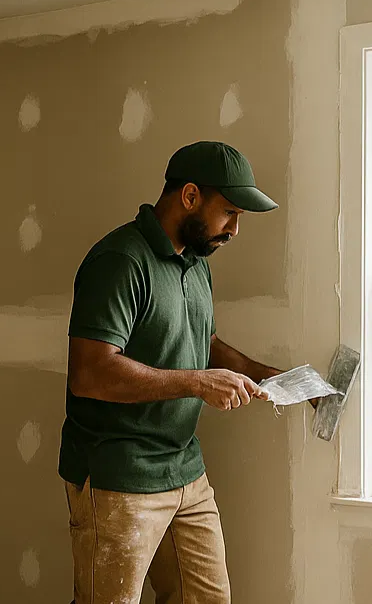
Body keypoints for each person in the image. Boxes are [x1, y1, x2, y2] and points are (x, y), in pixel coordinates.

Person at [61, 141, 284, 604]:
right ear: (189, 197)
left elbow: (204, 343)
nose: (235, 229)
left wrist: (268, 376)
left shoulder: (196, 265)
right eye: (229, 213)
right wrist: (199, 382)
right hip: (119, 473)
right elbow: (90, 372)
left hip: (185, 471)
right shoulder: (120, 261)